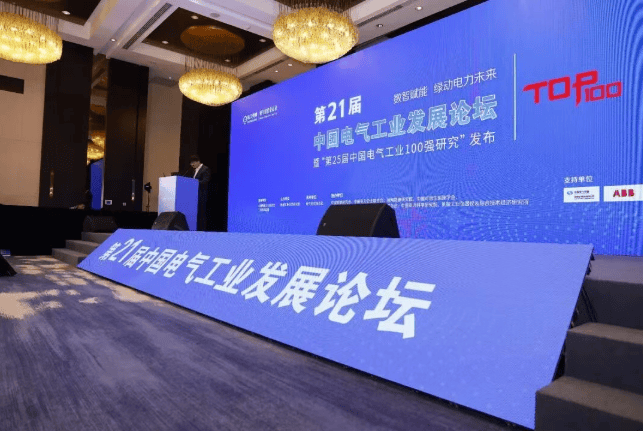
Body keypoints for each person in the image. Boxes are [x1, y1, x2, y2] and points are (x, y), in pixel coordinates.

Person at [189, 155, 211, 231]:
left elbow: (205, 181)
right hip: (195, 195)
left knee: (201, 214)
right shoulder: (194, 170)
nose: (191, 165)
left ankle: (202, 231)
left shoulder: (205, 169)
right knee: (196, 214)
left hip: (202, 195)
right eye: (190, 163)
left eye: (193, 162)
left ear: (198, 161)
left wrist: (194, 183)